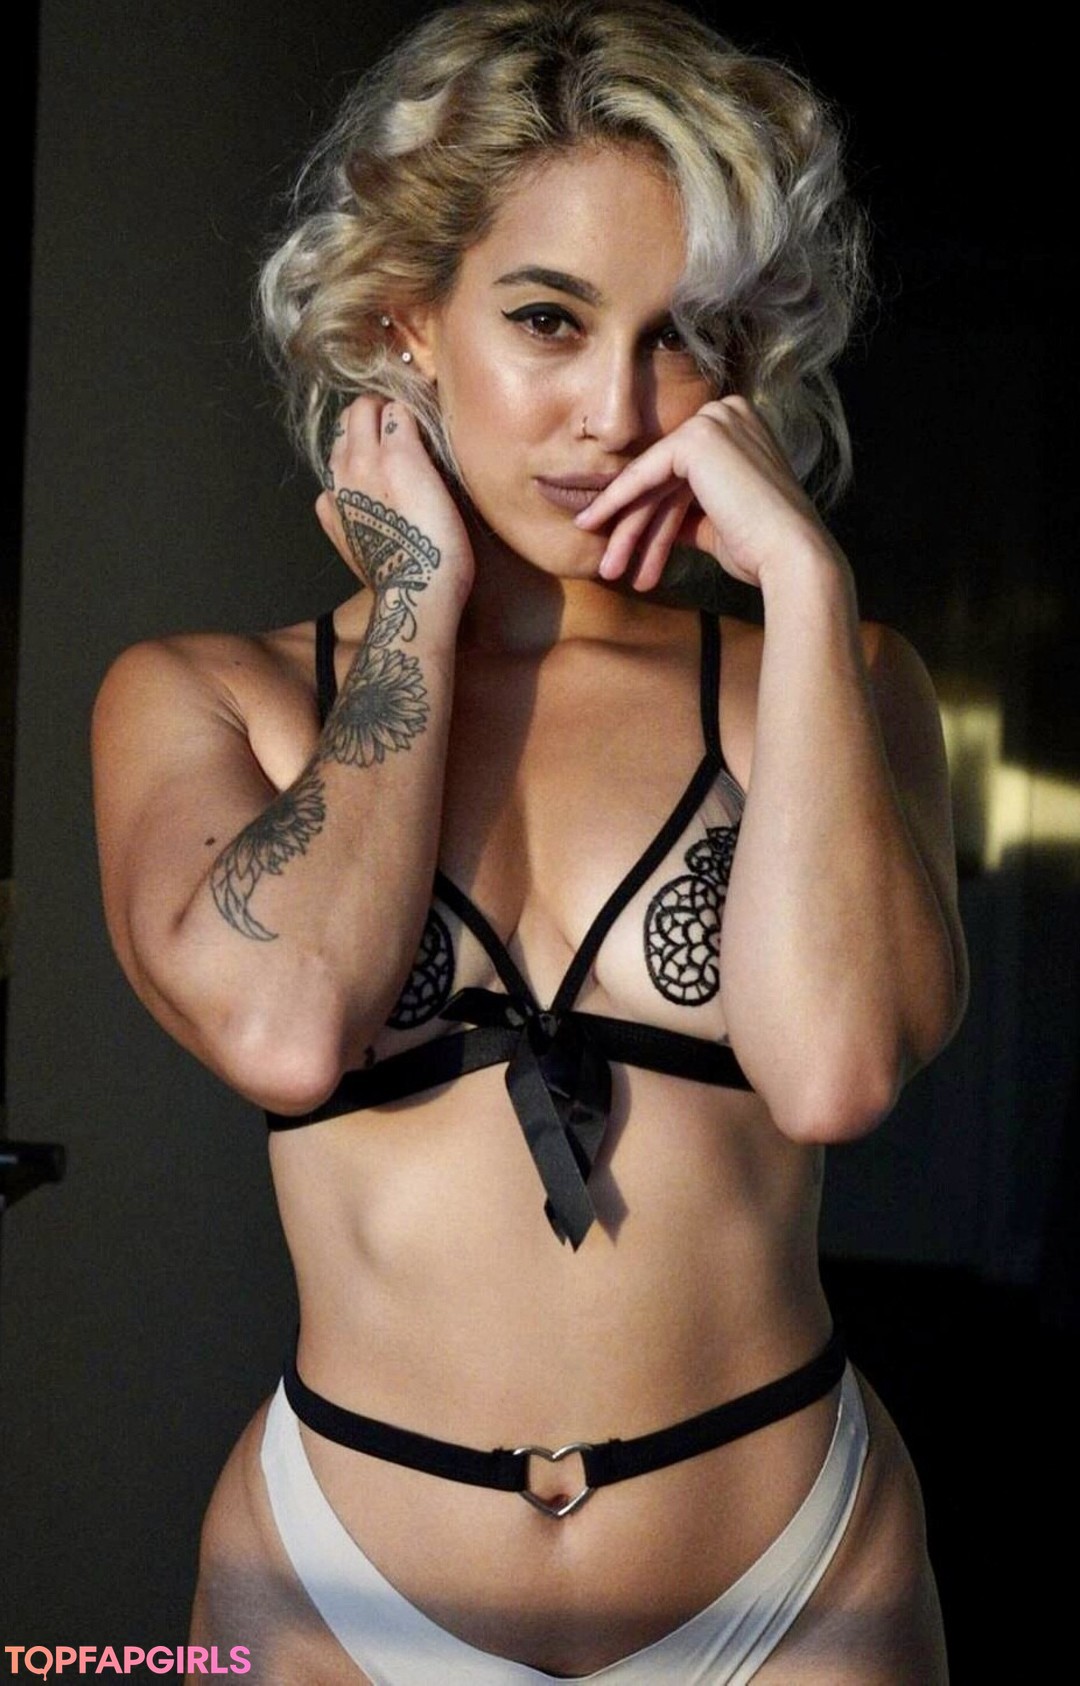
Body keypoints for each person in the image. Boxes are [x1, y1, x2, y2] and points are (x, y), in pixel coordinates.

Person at [92, 2, 966, 1680]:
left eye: (685, 335)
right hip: (330, 1584)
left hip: (794, 1582)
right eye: (549, 319)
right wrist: (413, 605)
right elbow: (286, 1025)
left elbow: (837, 1069)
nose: (615, 410)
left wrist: (806, 581)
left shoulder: (838, 680)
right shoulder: (208, 696)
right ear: (407, 320)